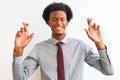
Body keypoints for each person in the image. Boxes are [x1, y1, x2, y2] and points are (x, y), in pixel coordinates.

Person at [12, 2, 113, 80]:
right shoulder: (39, 48)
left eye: (62, 19)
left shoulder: (80, 46)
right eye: (54, 19)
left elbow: (108, 71)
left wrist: (99, 44)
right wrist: (18, 51)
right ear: (48, 22)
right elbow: (20, 78)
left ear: (67, 22)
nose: (59, 23)